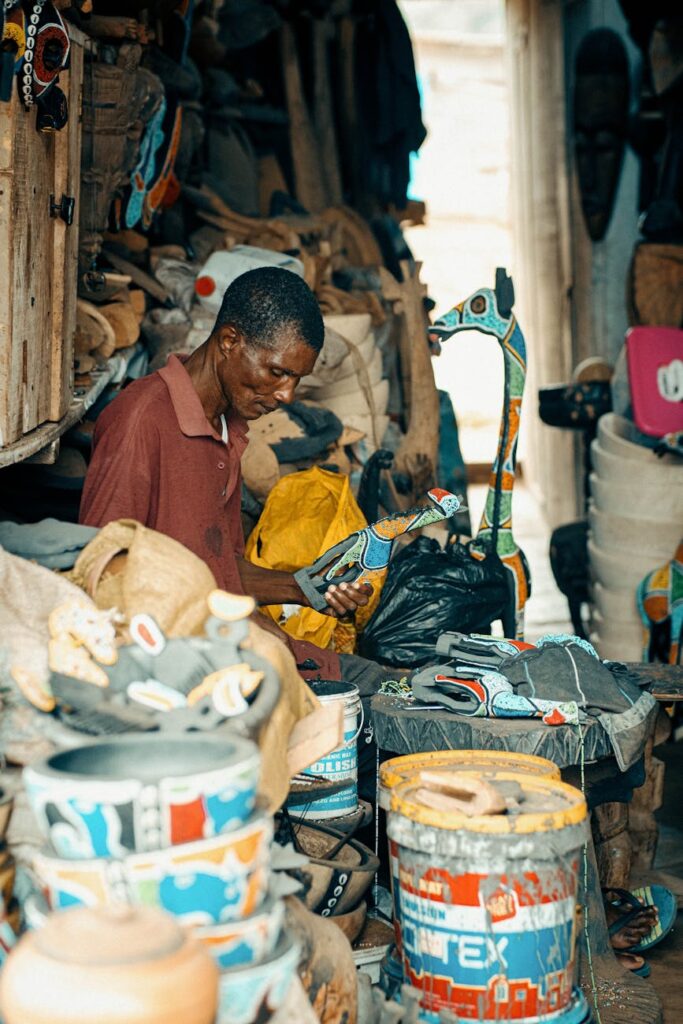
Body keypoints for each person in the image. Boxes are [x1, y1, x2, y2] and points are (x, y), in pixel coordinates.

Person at [80, 267, 391, 697]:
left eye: (297, 379)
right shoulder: (140, 421)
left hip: (236, 648)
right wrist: (233, 624)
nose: (287, 395)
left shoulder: (228, 425)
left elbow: (220, 567)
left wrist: (305, 589)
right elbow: (102, 579)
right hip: (179, 670)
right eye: (278, 372)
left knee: (397, 688)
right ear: (230, 342)